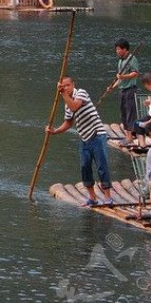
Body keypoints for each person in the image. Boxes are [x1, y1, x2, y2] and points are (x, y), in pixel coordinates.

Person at [45, 76, 115, 207]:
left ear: (73, 85)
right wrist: (55, 131)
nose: (66, 88)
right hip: (84, 138)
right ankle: (93, 198)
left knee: (102, 166)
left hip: (97, 135)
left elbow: (75, 106)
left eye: (67, 85)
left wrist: (62, 93)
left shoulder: (81, 93)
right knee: (85, 167)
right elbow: (68, 122)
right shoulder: (67, 103)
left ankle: (108, 197)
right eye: (63, 86)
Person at [111, 39, 141, 146]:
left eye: (119, 49)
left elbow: (135, 73)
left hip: (130, 90)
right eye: (117, 49)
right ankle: (128, 136)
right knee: (123, 113)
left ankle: (129, 138)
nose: (117, 51)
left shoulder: (131, 59)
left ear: (125, 49)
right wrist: (112, 87)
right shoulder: (120, 61)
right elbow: (120, 79)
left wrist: (123, 76)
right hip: (122, 90)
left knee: (129, 113)